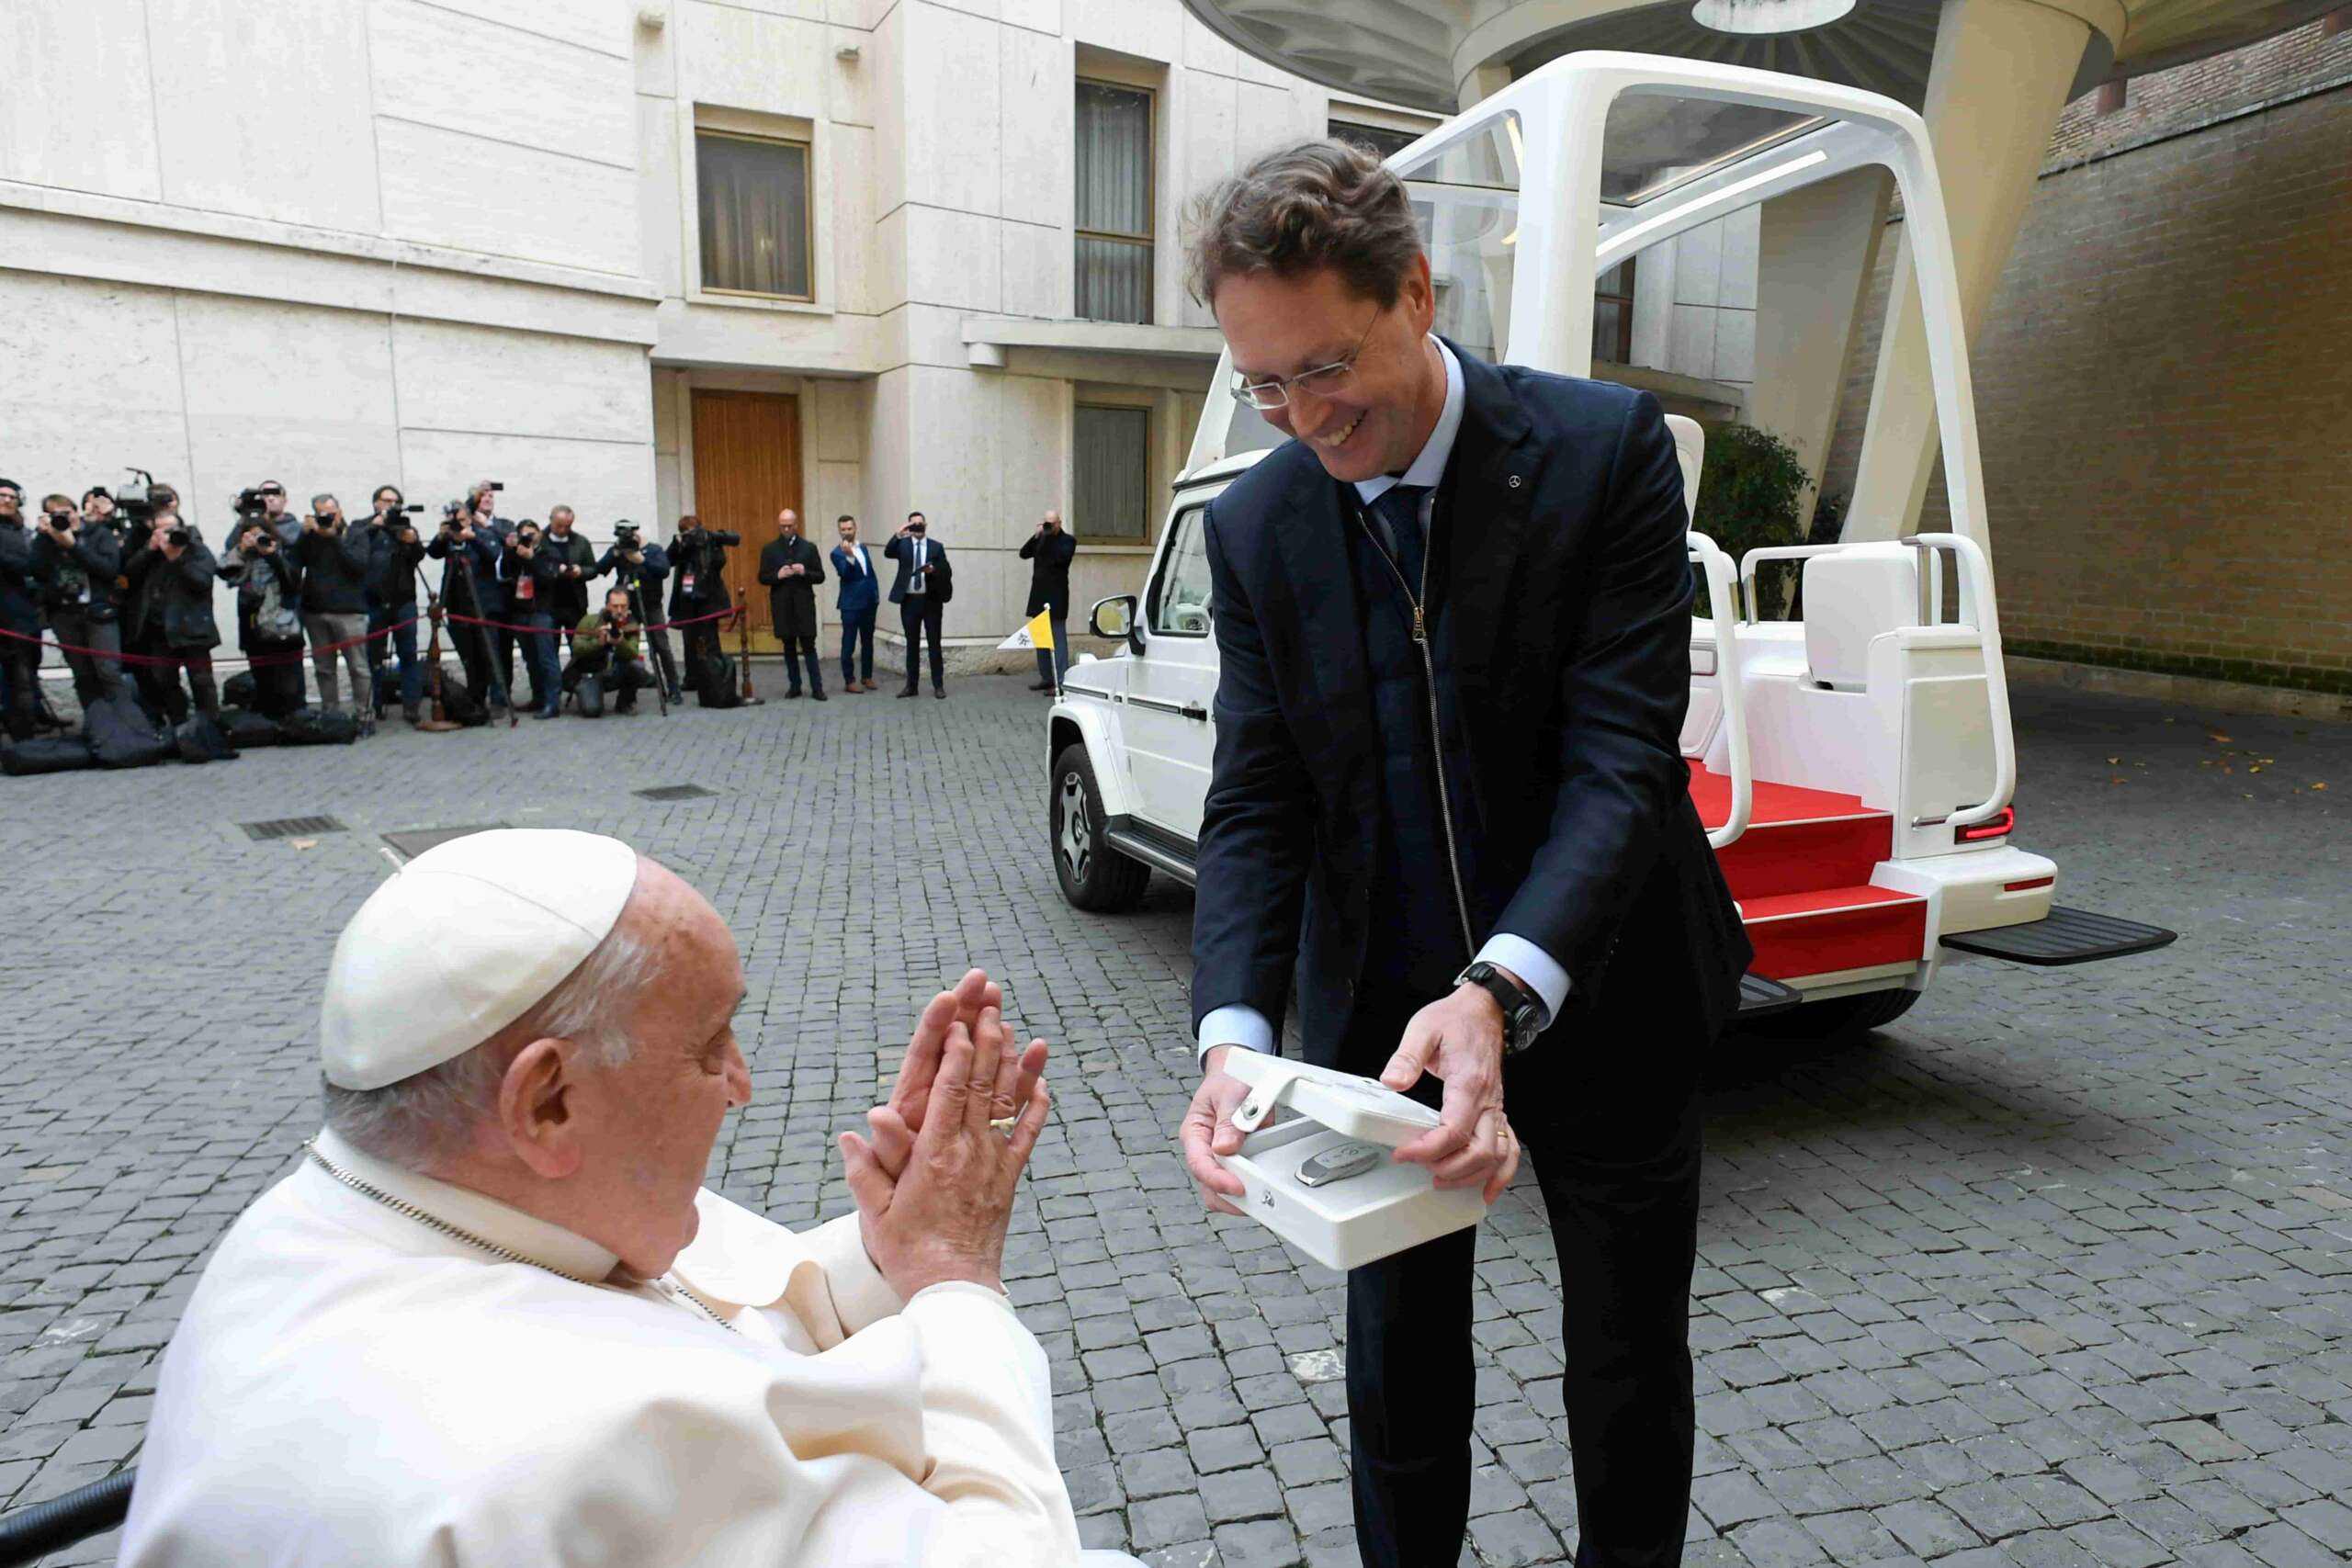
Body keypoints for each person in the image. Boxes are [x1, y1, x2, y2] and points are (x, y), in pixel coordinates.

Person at [1175, 141, 1750, 1568]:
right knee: (1401, 1376)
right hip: (1384, 1027)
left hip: (1609, 981)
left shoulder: (1604, 448)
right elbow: (1256, 800)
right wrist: (1233, 1040)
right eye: (1264, 383)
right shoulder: (1255, 525)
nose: (1302, 417)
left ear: (1418, 292)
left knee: (1625, 1363)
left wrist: (1499, 986)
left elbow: (1622, 761)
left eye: (1326, 368)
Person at [120, 829, 1139, 1567]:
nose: (742, 1085)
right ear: (547, 1103)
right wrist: (956, 1282)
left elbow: (695, 1301)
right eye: (710, 1046)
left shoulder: (348, 1211)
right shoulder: (564, 1456)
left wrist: (889, 1255)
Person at [118, 507, 223, 722]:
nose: (169, 535)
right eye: (162, 530)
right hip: (160, 630)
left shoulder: (196, 550)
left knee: (202, 682)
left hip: (193, 628)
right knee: (163, 681)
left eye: (172, 529)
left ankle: (211, 727)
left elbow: (202, 581)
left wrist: (177, 559)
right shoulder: (152, 554)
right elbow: (129, 576)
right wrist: (149, 549)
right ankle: (179, 725)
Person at [27, 491, 125, 713]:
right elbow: (36, 572)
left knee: (108, 671)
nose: (64, 518)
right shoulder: (45, 540)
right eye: (56, 515)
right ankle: (96, 724)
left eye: (67, 513)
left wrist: (72, 545)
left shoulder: (99, 535)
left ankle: (125, 724)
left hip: (100, 613)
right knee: (83, 675)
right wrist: (44, 537)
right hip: (64, 614)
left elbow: (108, 570)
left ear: (76, 512)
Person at [297, 494, 375, 731]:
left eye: (332, 513)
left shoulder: (355, 534)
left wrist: (334, 540)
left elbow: (358, 566)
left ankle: (365, 717)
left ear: (340, 511)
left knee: (358, 667)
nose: (329, 519)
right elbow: (298, 560)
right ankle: (331, 715)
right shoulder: (311, 537)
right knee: (324, 668)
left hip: (349, 611)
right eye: (323, 515)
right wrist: (306, 534)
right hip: (316, 611)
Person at [220, 512, 308, 717]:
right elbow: (225, 573)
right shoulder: (243, 557)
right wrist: (241, 549)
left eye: (261, 534)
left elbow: (293, 583)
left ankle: (293, 719)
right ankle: (269, 720)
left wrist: (271, 555)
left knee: (288, 682)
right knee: (262, 678)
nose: (258, 540)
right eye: (252, 536)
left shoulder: (283, 551)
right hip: (252, 627)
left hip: (281, 627)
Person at [425, 493, 507, 710]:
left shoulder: (482, 535)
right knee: (469, 657)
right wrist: (443, 535)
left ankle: (499, 700)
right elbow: (432, 552)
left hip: (484, 605)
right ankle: (476, 700)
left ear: (470, 518)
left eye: (461, 521)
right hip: (457, 606)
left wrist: (473, 538)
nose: (458, 526)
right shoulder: (449, 539)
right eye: (454, 522)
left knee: (490, 656)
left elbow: (494, 555)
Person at [360, 486, 427, 725]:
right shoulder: (364, 526)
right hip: (373, 601)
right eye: (386, 500)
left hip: (403, 602)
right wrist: (374, 526)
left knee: (408, 655)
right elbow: (354, 549)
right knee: (373, 657)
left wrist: (413, 541)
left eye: (395, 501)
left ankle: (411, 706)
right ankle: (376, 704)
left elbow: (419, 556)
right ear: (375, 503)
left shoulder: (405, 528)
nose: (391, 505)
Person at [597, 521, 682, 704]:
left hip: (651, 605)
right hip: (626, 607)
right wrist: (615, 554)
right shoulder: (619, 550)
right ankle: (628, 693)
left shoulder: (653, 550)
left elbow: (664, 570)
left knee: (662, 647)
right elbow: (600, 568)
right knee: (625, 645)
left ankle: (673, 688)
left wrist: (642, 559)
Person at [757, 508, 827, 701]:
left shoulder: (808, 548)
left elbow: (820, 576)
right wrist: (777, 576)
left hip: (804, 604)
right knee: (788, 647)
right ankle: (794, 685)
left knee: (808, 646)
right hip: (782, 604)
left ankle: (817, 687)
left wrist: (804, 571)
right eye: (783, 526)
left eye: (789, 525)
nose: (786, 529)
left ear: (796, 525)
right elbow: (762, 577)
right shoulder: (770, 549)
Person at [501, 519, 563, 719]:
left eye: (532, 533)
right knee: (530, 658)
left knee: (547, 658)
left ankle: (553, 703)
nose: (528, 537)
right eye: (524, 534)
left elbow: (548, 576)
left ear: (539, 534)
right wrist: (509, 551)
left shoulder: (549, 552)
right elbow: (504, 573)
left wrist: (532, 558)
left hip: (541, 611)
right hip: (520, 611)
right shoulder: (517, 553)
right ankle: (538, 698)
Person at [666, 513, 739, 685]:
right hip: (687, 598)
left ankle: (716, 674)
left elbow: (724, 556)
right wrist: (678, 543)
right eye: (686, 532)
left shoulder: (710, 541)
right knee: (689, 639)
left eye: (693, 531)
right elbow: (667, 561)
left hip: (709, 596)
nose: (691, 535)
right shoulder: (681, 545)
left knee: (710, 638)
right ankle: (691, 678)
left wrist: (710, 538)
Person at [884, 512, 949, 700]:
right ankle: (911, 686)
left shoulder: (936, 546)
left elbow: (946, 569)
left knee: (934, 643)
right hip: (909, 600)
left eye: (921, 524)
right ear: (909, 526)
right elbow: (888, 552)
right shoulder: (902, 545)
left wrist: (934, 570)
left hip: (931, 601)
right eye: (914, 524)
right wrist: (898, 534)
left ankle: (938, 685)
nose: (918, 527)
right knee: (911, 644)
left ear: (926, 525)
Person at [566, 587, 659, 716]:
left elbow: (633, 652)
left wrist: (620, 642)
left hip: (614, 671)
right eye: (615, 606)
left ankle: (625, 703)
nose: (619, 610)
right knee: (592, 710)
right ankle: (584, 691)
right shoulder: (590, 620)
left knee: (636, 666)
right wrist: (598, 642)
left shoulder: (631, 624)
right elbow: (577, 647)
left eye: (623, 606)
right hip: (591, 672)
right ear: (607, 605)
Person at [1018, 510, 1076, 694]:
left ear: (1059, 523)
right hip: (1039, 595)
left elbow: (1059, 559)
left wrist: (1047, 537)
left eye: (1052, 523)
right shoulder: (1040, 539)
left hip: (1057, 597)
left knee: (1057, 640)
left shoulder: (1068, 541)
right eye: (1047, 523)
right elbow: (1024, 553)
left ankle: (1061, 681)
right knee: (1040, 638)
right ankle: (1046, 677)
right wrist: (1036, 537)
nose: (1050, 526)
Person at [0, 479, 40, 739]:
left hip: (21, 613)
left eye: (11, 497)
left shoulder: (20, 531)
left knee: (24, 674)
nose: (6, 500)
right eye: (1, 495)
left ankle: (25, 732)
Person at [830, 514, 880, 694]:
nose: (846, 532)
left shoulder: (863, 548)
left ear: (855, 528)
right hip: (850, 605)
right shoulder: (836, 553)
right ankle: (849, 680)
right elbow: (845, 574)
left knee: (868, 641)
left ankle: (867, 676)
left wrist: (876, 594)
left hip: (869, 602)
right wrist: (849, 557)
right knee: (849, 644)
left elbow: (870, 573)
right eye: (843, 529)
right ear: (839, 531)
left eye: (849, 529)